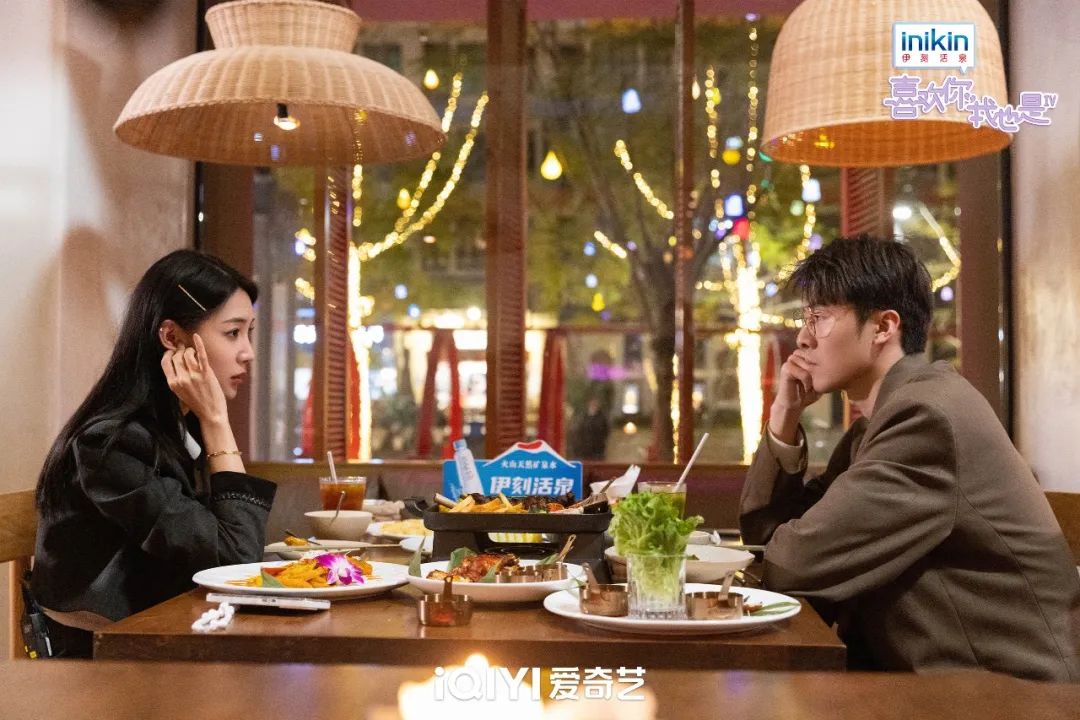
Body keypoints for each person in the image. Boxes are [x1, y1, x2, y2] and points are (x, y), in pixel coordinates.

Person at [739, 235, 1079, 681]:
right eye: (805, 319)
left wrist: (784, 553)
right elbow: (768, 541)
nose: (802, 337)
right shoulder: (881, 423)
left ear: (883, 327)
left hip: (1006, 694)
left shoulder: (925, 418)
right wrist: (783, 417)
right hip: (931, 685)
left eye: (818, 318)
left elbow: (793, 563)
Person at [31, 249, 276, 657]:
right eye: (233, 333)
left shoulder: (177, 428)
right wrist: (217, 420)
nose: (247, 352)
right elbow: (234, 563)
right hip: (102, 663)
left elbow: (230, 552)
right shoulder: (109, 444)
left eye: (248, 332)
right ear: (172, 338)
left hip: (170, 638)